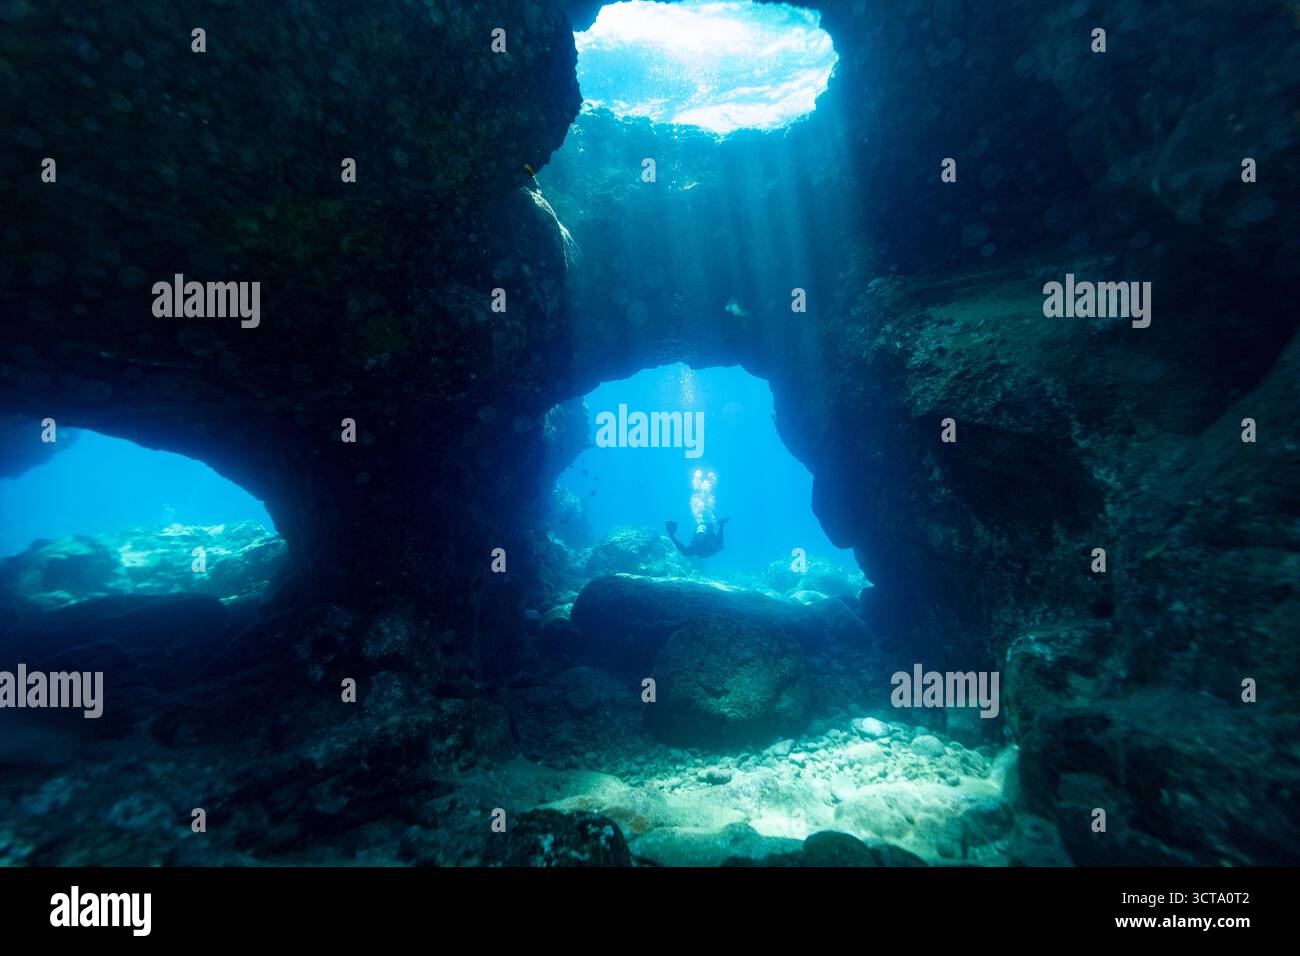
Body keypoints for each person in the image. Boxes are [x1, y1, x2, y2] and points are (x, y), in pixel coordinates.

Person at [666, 468, 729, 557]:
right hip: (705, 540)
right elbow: (717, 543)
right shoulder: (707, 548)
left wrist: (671, 535)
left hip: (703, 540)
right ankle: (719, 524)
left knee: (717, 543)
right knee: (717, 544)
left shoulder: (699, 549)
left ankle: (719, 524)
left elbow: (685, 551)